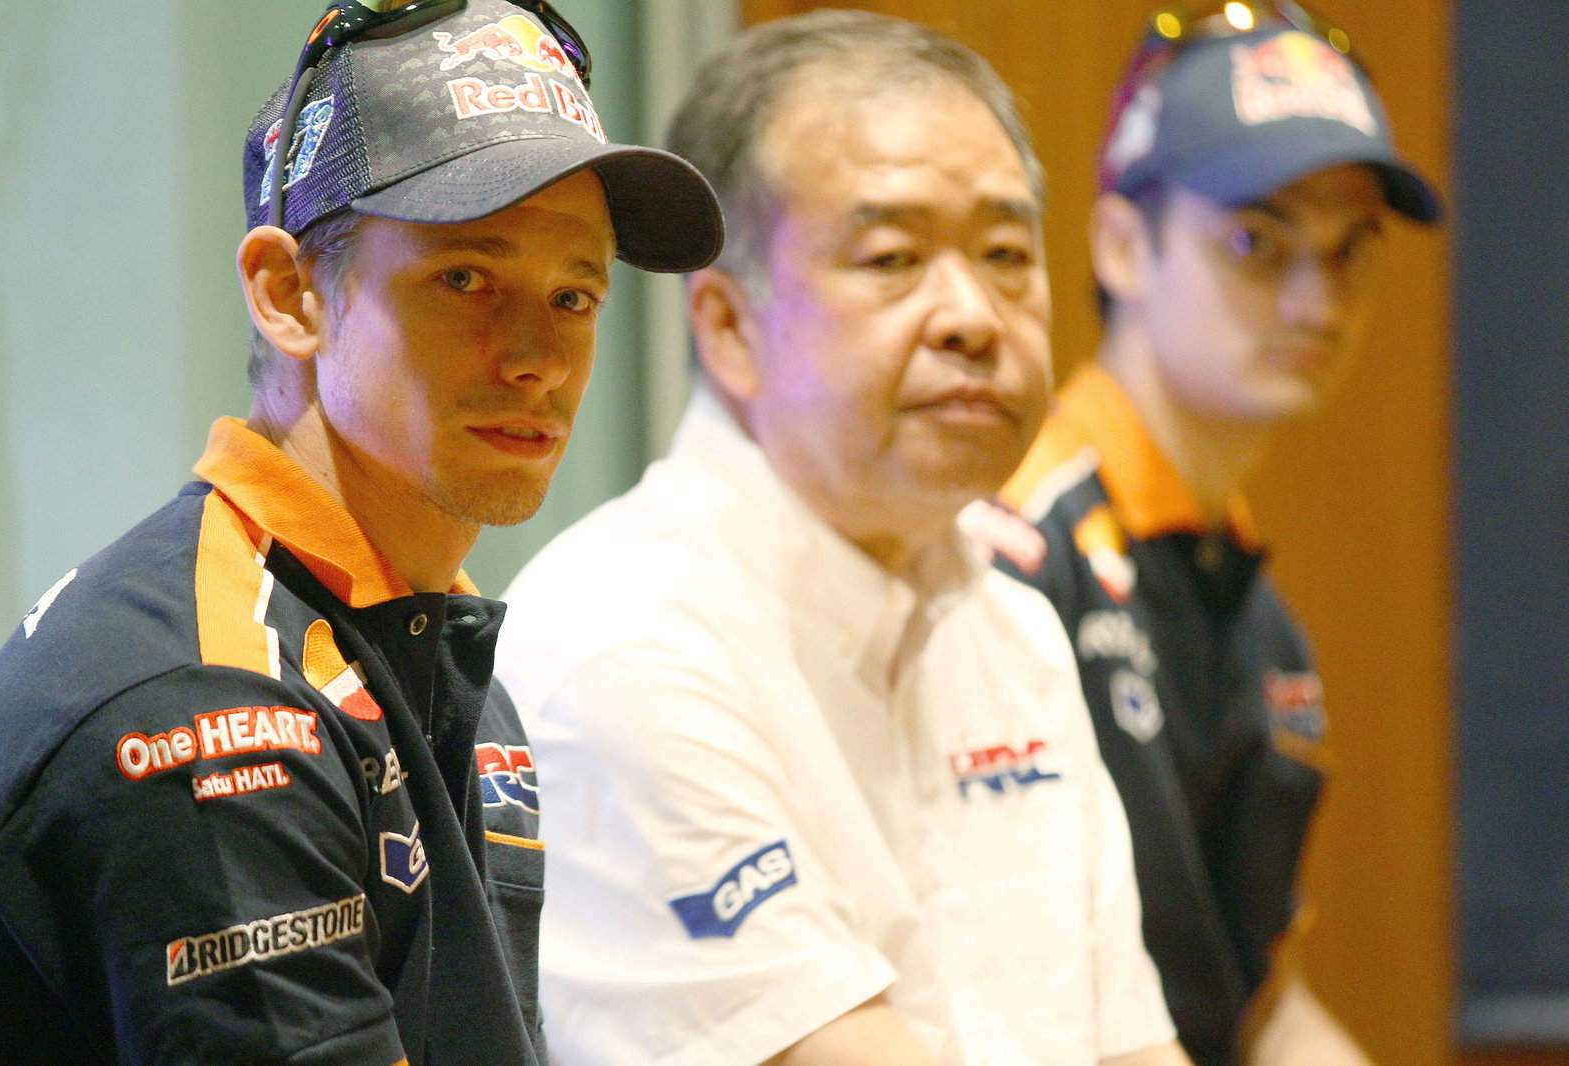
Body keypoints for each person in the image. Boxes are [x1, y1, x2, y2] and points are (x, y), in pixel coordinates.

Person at [0, 0, 721, 1061]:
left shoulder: (425, 642)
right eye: (466, 278)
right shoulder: (215, 709)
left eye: (574, 295)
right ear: (288, 294)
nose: (538, 358)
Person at [495, 11, 1190, 1066]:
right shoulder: (621, 643)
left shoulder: (1017, 631)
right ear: (728, 326)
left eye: (1006, 253)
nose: (971, 314)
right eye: (892, 256)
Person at [965, 4, 1442, 1065]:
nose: (1317, 298)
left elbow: (1265, 1005)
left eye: (1351, 248)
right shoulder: (1011, 552)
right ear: (1123, 244)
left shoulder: (1259, 621)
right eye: (1255, 240)